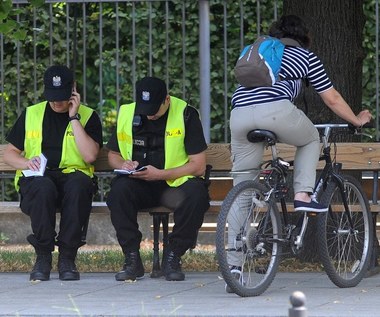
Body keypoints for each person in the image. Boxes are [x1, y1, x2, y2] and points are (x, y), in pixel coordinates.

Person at [228, 15, 372, 290]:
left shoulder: (259, 52)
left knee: (243, 190)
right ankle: (303, 194)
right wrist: (356, 119)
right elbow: (331, 98)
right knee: (309, 140)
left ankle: (233, 267)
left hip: (239, 114)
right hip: (275, 111)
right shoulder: (304, 56)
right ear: (304, 36)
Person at [4, 65, 103, 281]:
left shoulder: (88, 116)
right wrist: (26, 162)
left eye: (62, 96)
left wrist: (74, 118)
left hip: (73, 178)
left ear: (74, 90)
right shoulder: (32, 113)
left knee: (79, 185)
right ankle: (43, 255)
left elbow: (89, 157)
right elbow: (10, 154)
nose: (57, 102)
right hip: (39, 178)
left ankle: (67, 257)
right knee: (42, 186)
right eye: (52, 96)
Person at [106, 76, 210, 282]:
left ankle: (173, 256)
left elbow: (198, 166)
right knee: (118, 192)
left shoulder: (186, 114)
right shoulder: (127, 113)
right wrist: (123, 165)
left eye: (154, 110)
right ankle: (132, 259)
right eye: (145, 110)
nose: (150, 115)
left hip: (174, 185)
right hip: (141, 183)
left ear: (167, 100)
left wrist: (160, 174)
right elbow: (112, 156)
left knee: (197, 194)